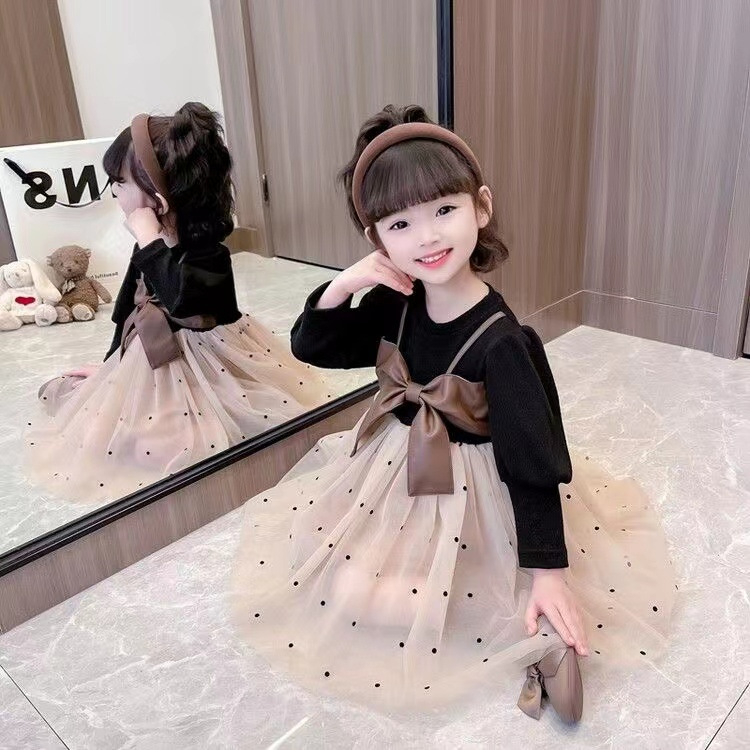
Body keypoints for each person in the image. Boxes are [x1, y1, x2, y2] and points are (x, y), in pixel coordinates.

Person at [230, 105, 676, 722]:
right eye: (400, 224)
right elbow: (313, 346)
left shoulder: (503, 343)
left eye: (444, 210)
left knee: (386, 590)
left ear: (481, 208)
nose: (427, 238)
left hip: (477, 494)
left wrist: (548, 571)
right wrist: (344, 284)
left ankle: (535, 633)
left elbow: (530, 461)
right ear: (377, 240)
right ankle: (482, 610)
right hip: (399, 475)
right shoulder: (394, 304)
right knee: (325, 565)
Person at [26, 103, 328, 503]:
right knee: (90, 416)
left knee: (193, 441)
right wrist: (109, 369)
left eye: (120, 183)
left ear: (158, 195)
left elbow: (184, 303)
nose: (114, 192)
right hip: (152, 361)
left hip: (211, 360)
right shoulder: (148, 246)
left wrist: (150, 240)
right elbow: (126, 312)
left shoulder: (208, 253)